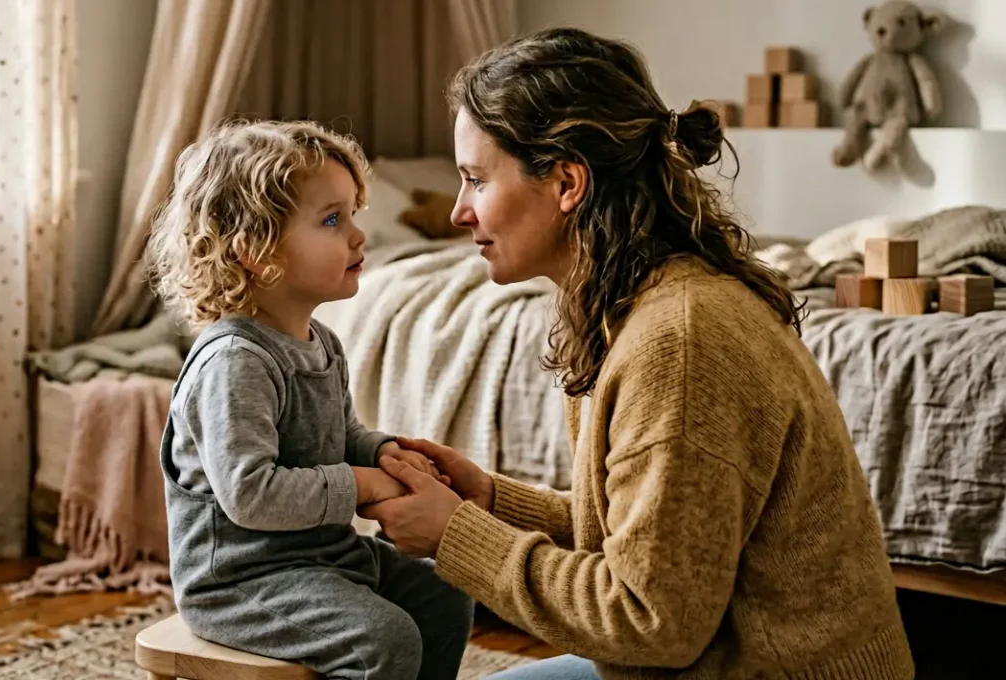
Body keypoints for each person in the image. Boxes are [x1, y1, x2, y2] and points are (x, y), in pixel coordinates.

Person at [360, 27, 916, 680]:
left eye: (476, 179)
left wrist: (457, 536)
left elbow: (652, 620)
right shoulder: (635, 307)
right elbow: (654, 544)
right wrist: (487, 500)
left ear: (568, 182)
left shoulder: (679, 342)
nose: (458, 212)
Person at [148, 119, 474, 680]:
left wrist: (385, 453)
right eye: (331, 220)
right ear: (254, 250)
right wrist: (363, 484)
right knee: (386, 639)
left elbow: (340, 437)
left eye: (352, 215)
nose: (357, 236)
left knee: (448, 591)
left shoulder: (323, 343)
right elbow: (250, 494)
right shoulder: (234, 361)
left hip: (323, 559)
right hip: (241, 580)